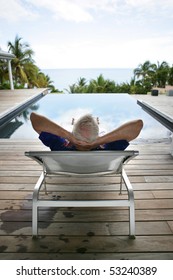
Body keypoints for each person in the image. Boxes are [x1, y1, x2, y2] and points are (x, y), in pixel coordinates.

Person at [30, 112, 143, 151]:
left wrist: (69, 136)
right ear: (97, 136)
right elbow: (137, 125)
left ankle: (75, 125)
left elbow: (34, 118)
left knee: (71, 125)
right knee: (101, 127)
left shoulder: (60, 145)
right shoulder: (110, 148)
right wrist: (98, 141)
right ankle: (96, 124)